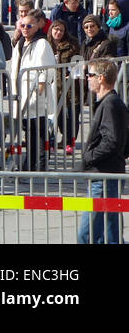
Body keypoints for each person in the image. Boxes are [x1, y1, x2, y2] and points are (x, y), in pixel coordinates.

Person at [79, 59, 129, 244]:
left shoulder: (110, 104)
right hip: (107, 174)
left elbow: (113, 141)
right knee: (110, 235)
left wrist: (89, 157)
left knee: (88, 235)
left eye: (90, 75)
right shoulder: (110, 103)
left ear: (100, 78)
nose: (87, 79)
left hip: (104, 176)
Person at [9, 11, 56, 172]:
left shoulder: (42, 43)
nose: (25, 28)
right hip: (22, 92)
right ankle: (29, 163)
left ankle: (40, 164)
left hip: (36, 93)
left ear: (37, 26)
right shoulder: (21, 42)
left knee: (39, 131)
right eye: (22, 25)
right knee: (29, 132)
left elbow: (47, 68)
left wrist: (40, 87)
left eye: (29, 25)